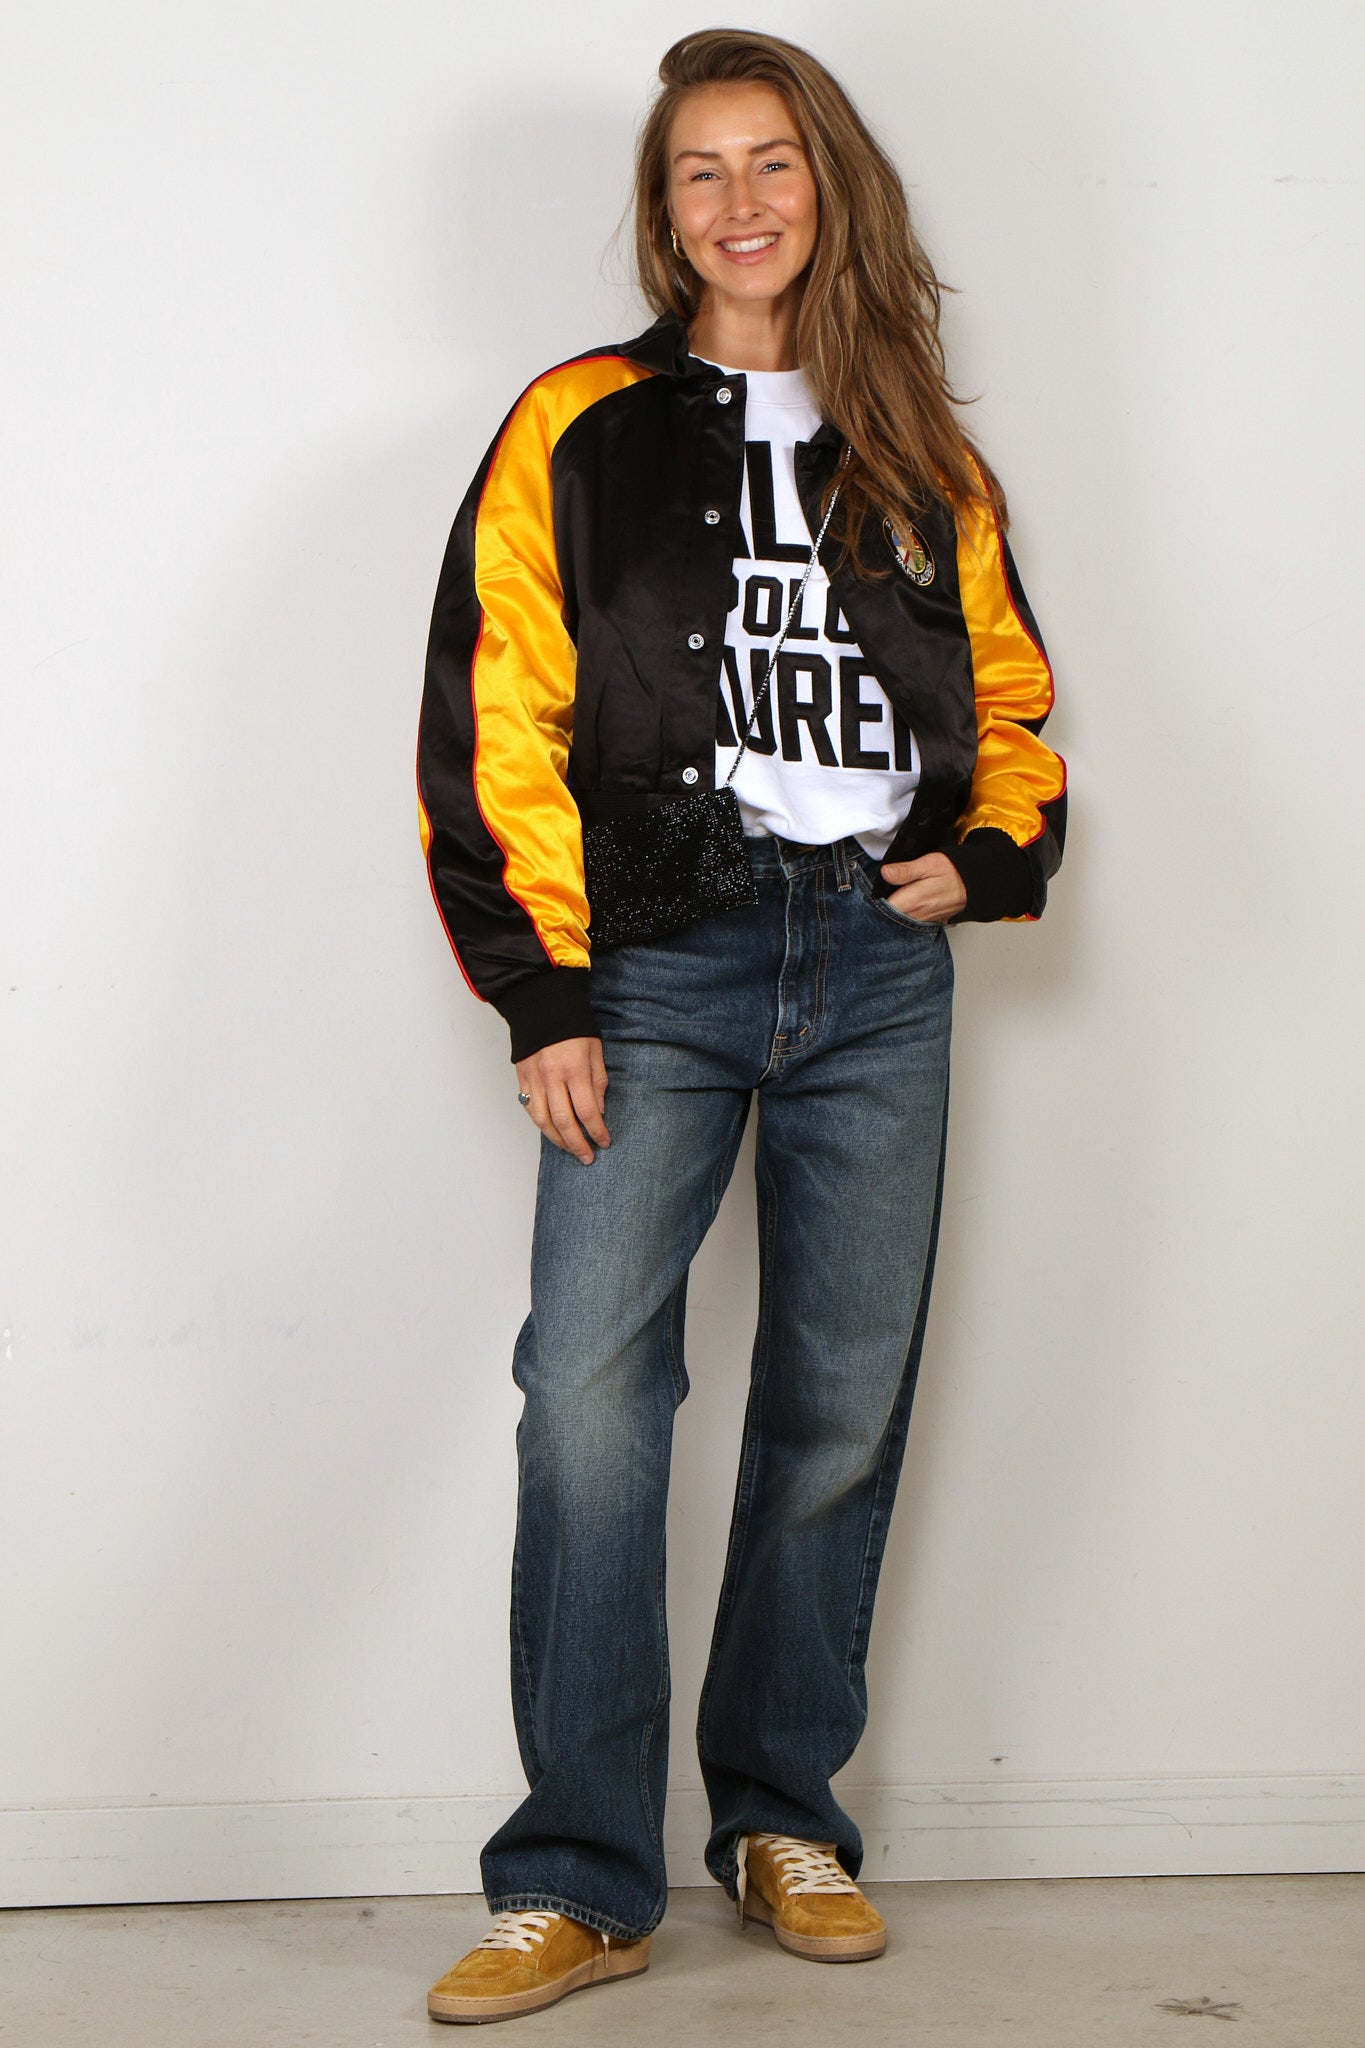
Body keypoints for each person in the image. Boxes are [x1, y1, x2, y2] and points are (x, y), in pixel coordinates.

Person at [416, 27, 1065, 2026]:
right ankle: (576, 1876)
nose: (736, 200)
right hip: (655, 960)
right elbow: (495, 705)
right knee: (589, 1398)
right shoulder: (579, 423)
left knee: (838, 1402)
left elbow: (1007, 694)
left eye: (768, 160)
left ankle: (782, 1817)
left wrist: (992, 850)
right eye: (696, 170)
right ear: (662, 212)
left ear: (826, 186)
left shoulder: (919, 452)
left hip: (874, 963)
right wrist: (540, 986)